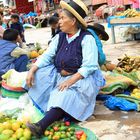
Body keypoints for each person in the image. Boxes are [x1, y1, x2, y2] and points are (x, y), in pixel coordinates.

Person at [25, 0, 105, 137]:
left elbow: (89, 66)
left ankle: (41, 126)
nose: (59, 21)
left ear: (73, 21)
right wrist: (33, 69)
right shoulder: (59, 37)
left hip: (81, 78)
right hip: (61, 74)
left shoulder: (87, 39)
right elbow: (47, 55)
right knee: (37, 77)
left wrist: (70, 81)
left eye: (63, 18)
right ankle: (53, 110)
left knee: (63, 94)